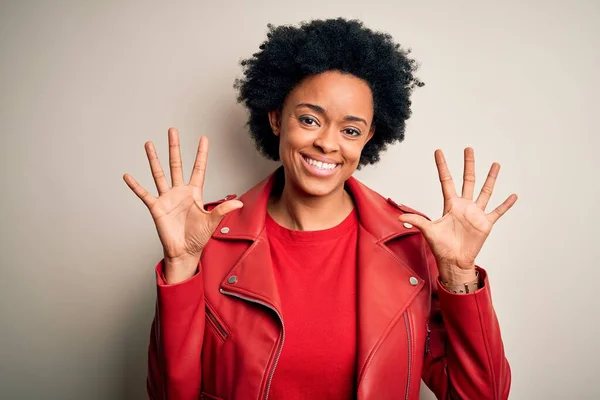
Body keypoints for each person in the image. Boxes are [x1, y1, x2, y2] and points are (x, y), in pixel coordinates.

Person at [123, 18, 517, 400]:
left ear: (368, 137)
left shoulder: (413, 243)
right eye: (310, 119)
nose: (328, 144)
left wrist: (459, 275)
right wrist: (181, 266)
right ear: (276, 118)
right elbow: (170, 394)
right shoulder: (208, 237)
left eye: (350, 130)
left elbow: (482, 396)